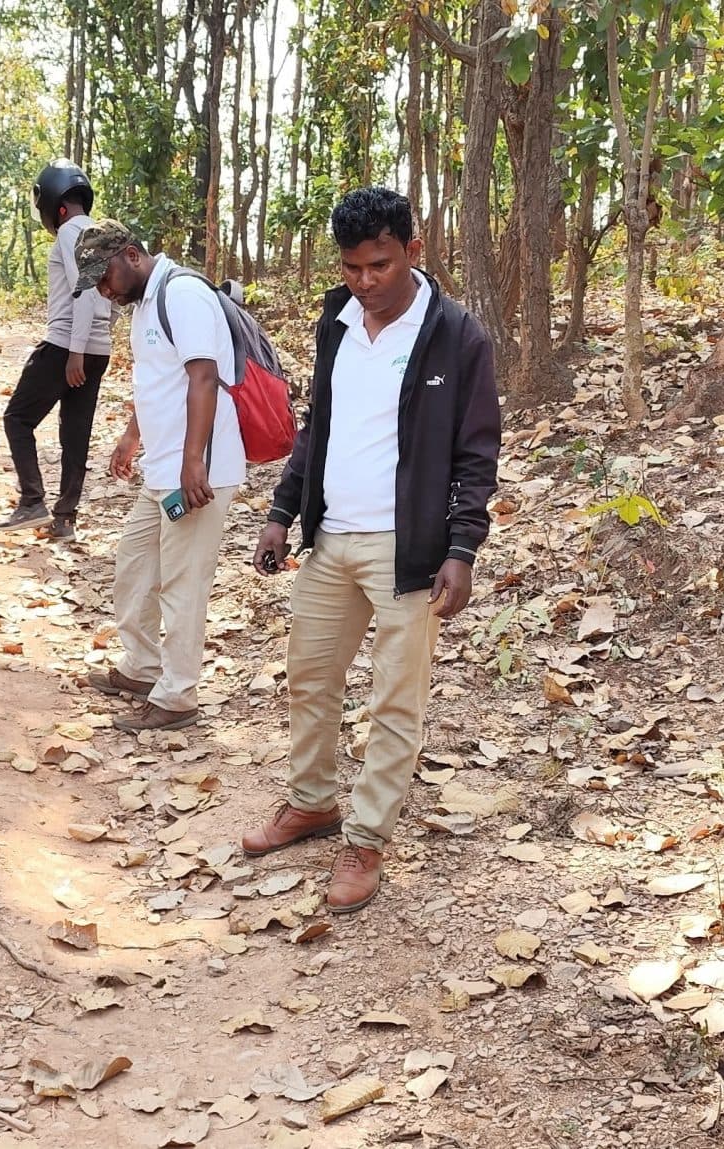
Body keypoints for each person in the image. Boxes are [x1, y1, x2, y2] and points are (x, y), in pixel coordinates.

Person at [240, 188, 501, 913]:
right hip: (331, 537)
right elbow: (316, 428)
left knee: (395, 700)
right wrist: (281, 512)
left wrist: (462, 547)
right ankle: (312, 802)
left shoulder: (456, 335)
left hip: (407, 547)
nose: (364, 281)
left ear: (413, 252)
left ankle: (367, 838)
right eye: (352, 267)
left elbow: (477, 453)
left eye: (379, 265)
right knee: (310, 677)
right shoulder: (338, 321)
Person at [70, 220, 245, 733]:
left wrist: (194, 463)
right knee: (135, 565)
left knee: (183, 584)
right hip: (164, 467)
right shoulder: (145, 303)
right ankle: (143, 667)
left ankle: (177, 695)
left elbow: (204, 376)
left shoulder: (184, 293)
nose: (103, 290)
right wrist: (132, 436)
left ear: (131, 254)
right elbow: (158, 382)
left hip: (195, 470)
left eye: (105, 278)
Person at [0, 162, 116, 540]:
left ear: (55, 206)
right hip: (99, 349)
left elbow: (81, 291)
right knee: (75, 432)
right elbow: (108, 297)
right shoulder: (103, 233)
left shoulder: (69, 232)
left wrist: (75, 352)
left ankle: (32, 501)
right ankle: (65, 519)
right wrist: (94, 344)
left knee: (17, 418)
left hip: (67, 346)